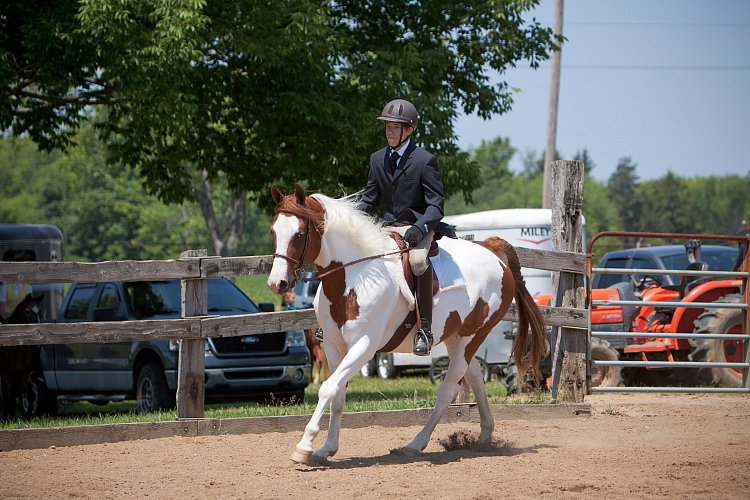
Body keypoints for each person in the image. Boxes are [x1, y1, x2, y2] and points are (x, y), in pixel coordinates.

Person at [356, 98, 446, 356]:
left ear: (409, 129)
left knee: (418, 262)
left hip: (418, 226)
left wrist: (420, 228)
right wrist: (350, 218)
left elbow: (436, 205)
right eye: (387, 127)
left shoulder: (425, 160)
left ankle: (425, 331)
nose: (390, 132)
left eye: (395, 127)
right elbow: (370, 199)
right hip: (388, 227)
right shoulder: (377, 159)